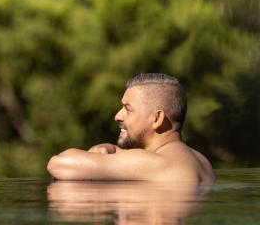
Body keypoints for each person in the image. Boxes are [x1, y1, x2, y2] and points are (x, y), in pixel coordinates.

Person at [47, 73, 215, 184]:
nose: (118, 116)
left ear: (157, 119)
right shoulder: (201, 161)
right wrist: (108, 147)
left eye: (128, 109)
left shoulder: (156, 163)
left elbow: (59, 165)